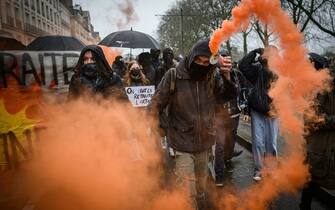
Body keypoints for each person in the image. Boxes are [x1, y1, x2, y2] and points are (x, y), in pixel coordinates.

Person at [150, 39, 236, 210]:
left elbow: (227, 96)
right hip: (181, 143)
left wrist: (226, 75)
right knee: (187, 194)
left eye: (206, 62)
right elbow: (155, 104)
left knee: (200, 190)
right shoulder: (174, 75)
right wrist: (156, 125)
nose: (202, 65)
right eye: (198, 60)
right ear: (192, 57)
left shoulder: (212, 76)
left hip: (204, 144)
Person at [300, 53, 335, 210]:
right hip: (319, 149)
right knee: (311, 182)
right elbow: (311, 118)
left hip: (328, 150)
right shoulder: (320, 87)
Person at [238, 47, 279, 181]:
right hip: (258, 111)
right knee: (258, 143)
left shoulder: (281, 70)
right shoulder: (258, 69)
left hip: (274, 112)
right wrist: (254, 52)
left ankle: (271, 169)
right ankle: (259, 170)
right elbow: (243, 65)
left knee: (271, 143)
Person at [214, 50, 249, 186]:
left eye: (228, 59)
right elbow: (217, 92)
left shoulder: (237, 74)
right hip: (219, 116)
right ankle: (219, 175)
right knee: (220, 145)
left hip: (234, 114)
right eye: (223, 59)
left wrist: (245, 111)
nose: (226, 63)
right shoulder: (214, 75)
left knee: (230, 141)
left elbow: (243, 93)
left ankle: (228, 160)